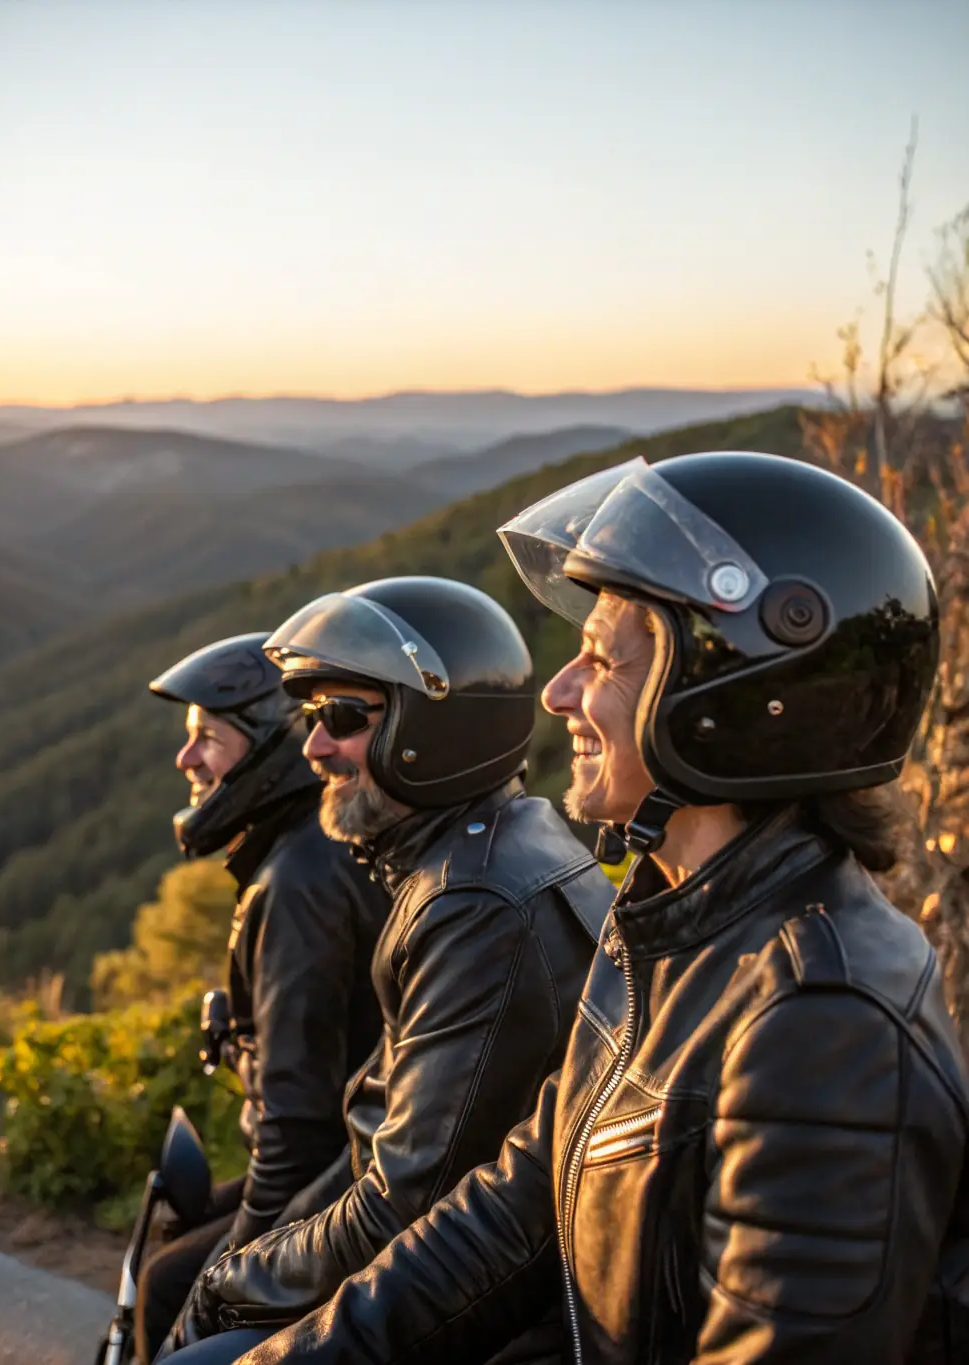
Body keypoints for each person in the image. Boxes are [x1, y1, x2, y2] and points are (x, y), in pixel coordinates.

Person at [184, 452, 969, 1365]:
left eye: (600, 658)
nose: (558, 693)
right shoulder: (665, 923)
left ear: (728, 694)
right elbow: (511, 1213)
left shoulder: (821, 1023)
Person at [162, 576, 614, 1360]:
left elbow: (402, 1202)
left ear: (433, 728)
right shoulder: (492, 847)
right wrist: (243, 1263)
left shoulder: (474, 902)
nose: (314, 746)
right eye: (311, 717)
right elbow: (369, 1140)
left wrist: (229, 1281)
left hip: (468, 1305)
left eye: (342, 716)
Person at [135, 632, 390, 1363]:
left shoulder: (297, 886)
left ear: (269, 753)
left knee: (164, 1283)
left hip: (331, 1183)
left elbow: (297, 1131)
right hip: (344, 1166)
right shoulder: (313, 851)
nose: (187, 760)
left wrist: (210, 1300)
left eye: (207, 740)